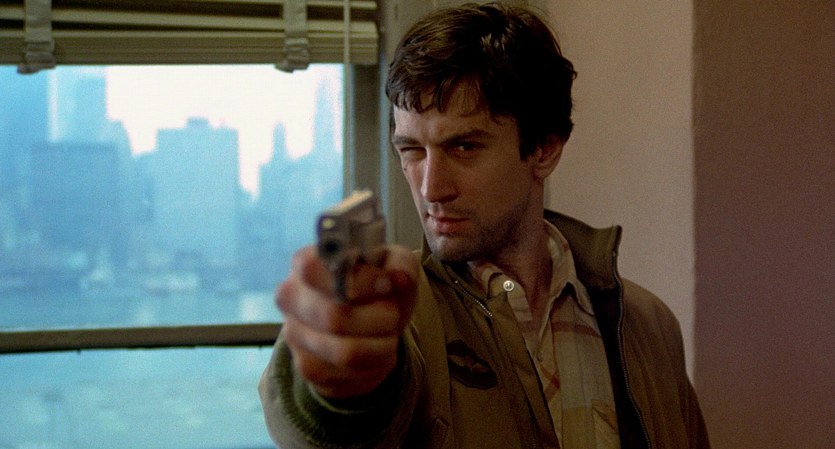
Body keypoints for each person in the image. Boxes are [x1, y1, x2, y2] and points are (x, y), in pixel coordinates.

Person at [259, 3, 710, 448]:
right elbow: (332, 425)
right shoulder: (401, 317)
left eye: (464, 147)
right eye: (411, 150)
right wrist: (339, 393)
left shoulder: (647, 325)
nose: (431, 188)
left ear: (544, 150)